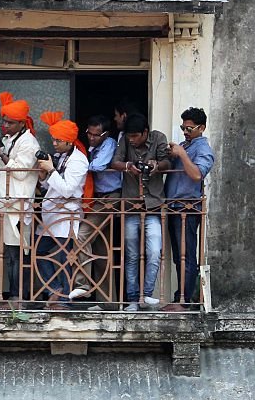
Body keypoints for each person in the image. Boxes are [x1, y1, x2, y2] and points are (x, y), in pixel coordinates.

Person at [111, 113, 171, 311]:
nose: (132, 140)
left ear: (146, 132)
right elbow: (114, 162)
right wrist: (129, 166)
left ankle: (146, 295)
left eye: (136, 136)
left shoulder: (158, 138)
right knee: (131, 254)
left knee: (154, 251)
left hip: (153, 204)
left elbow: (167, 163)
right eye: (129, 136)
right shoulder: (125, 141)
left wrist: (156, 165)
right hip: (131, 205)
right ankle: (133, 299)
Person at [0, 93, 40, 304]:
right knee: (8, 252)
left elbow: (19, 172)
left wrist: (1, 154)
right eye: (3, 121)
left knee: (19, 252)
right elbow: (1, 169)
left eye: (9, 122)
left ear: (21, 123)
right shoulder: (9, 140)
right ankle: (11, 295)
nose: (4, 125)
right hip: (3, 201)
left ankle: (20, 296)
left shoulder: (29, 143)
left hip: (18, 204)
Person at [35, 111, 90, 308]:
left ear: (69, 142)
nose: (54, 144)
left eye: (58, 140)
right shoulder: (60, 155)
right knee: (39, 253)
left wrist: (51, 170)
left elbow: (67, 190)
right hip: (51, 215)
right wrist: (43, 176)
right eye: (53, 140)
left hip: (66, 216)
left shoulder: (79, 161)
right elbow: (48, 188)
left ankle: (65, 299)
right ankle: (56, 290)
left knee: (64, 258)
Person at [164, 107, 215, 310]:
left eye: (190, 128)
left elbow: (197, 175)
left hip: (187, 209)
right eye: (183, 127)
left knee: (186, 256)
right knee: (179, 256)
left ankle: (184, 301)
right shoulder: (187, 144)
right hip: (175, 207)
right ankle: (180, 298)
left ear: (201, 128)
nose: (185, 131)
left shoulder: (203, 149)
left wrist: (182, 154)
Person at [69, 116, 123, 303]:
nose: (91, 138)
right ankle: (108, 302)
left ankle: (82, 285)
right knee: (102, 251)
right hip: (98, 199)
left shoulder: (108, 143)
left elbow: (99, 166)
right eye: (89, 134)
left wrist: (78, 166)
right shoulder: (94, 146)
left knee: (81, 234)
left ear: (105, 134)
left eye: (95, 135)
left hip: (110, 198)